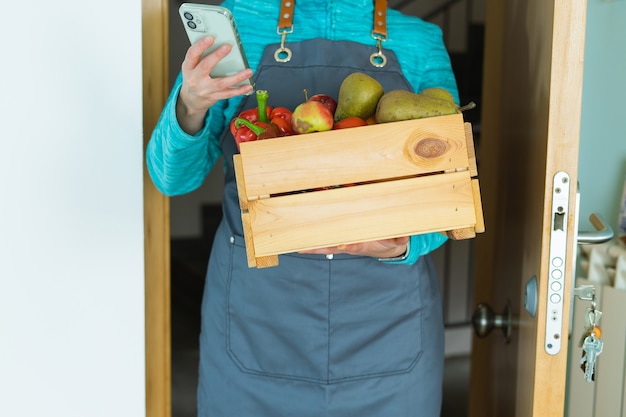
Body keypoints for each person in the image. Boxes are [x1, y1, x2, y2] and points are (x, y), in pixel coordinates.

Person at [147, 0, 460, 415]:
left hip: (385, 323)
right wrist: (190, 104)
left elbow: (448, 192)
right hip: (257, 319)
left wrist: (402, 246)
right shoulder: (238, 28)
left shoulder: (420, 42)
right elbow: (173, 178)